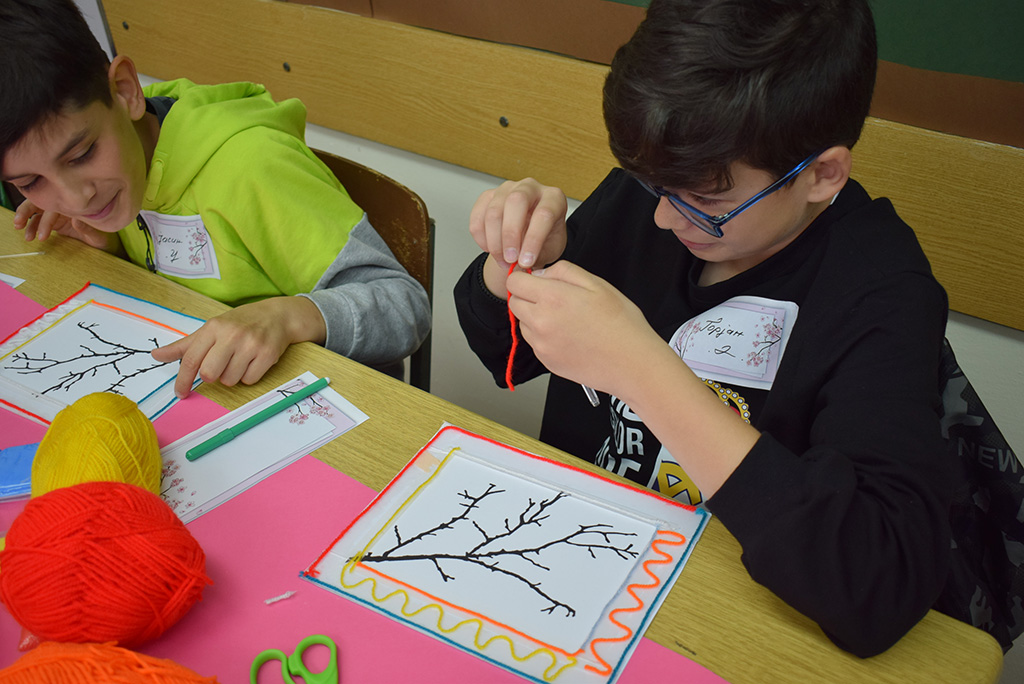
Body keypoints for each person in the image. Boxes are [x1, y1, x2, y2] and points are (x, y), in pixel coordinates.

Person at [455, 0, 953, 657]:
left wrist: (643, 371)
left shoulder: (881, 292)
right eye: (654, 185)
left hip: (736, 629)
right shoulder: (659, 195)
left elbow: (877, 586)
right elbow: (506, 353)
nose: (666, 219)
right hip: (576, 570)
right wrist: (514, 264)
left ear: (820, 174)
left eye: (707, 201)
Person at [0, 0, 431, 397]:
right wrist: (111, 242)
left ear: (127, 91)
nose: (75, 197)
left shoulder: (251, 167)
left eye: (81, 155)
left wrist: (289, 317)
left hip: (329, 405)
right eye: (31, 181)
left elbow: (404, 306)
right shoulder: (122, 168)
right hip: (211, 388)